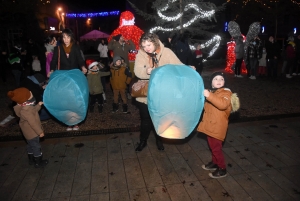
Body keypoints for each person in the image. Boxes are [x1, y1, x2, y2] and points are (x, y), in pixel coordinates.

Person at [133, 32, 186, 152]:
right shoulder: (141, 54)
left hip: (162, 93)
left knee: (160, 118)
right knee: (145, 119)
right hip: (145, 94)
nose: (146, 48)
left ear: (155, 43)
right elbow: (137, 71)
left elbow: (179, 66)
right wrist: (147, 71)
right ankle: (143, 141)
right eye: (144, 45)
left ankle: (159, 140)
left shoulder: (166, 52)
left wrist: (188, 69)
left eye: (149, 45)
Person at [197, 72, 239, 179]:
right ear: (211, 82)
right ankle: (214, 163)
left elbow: (222, 104)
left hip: (218, 127)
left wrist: (209, 95)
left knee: (216, 148)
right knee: (212, 147)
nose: (219, 81)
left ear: (224, 82)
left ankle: (222, 168)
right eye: (216, 79)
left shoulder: (226, 93)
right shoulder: (213, 92)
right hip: (211, 126)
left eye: (221, 79)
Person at [49, 28, 87, 131]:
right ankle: (68, 123)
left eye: (68, 37)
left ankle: (76, 122)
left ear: (71, 38)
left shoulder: (75, 48)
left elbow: (80, 59)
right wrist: (52, 70)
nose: (66, 39)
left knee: (75, 100)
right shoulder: (58, 49)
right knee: (65, 100)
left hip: (74, 76)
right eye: (64, 37)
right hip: (63, 77)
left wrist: (83, 67)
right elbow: (53, 61)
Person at [7, 87, 48, 168]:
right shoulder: (27, 110)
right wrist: (40, 132)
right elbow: (33, 123)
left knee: (30, 145)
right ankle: (38, 162)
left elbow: (34, 110)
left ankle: (31, 159)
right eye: (29, 93)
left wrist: (38, 105)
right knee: (36, 146)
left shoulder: (23, 106)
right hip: (32, 132)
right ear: (26, 98)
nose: (31, 92)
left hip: (27, 132)